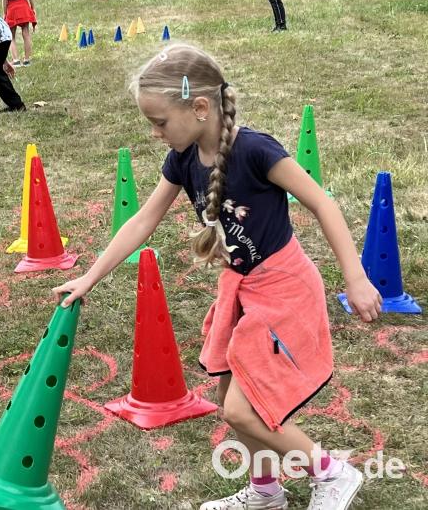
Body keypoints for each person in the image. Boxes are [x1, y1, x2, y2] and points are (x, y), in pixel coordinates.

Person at [53, 44, 381, 510]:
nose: (154, 133)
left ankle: (332, 472)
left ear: (200, 108)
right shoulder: (183, 159)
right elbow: (143, 220)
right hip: (242, 290)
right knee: (231, 396)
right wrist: (89, 277)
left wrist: (356, 278)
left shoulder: (256, 150)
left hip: (283, 289)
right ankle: (267, 494)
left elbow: (322, 203)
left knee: (241, 410)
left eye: (160, 121)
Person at [0, 0, 37, 66]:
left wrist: (5, 13)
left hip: (12, 9)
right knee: (26, 34)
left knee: (11, 36)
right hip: (23, 7)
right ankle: (27, 60)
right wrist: (33, 8)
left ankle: (16, 60)